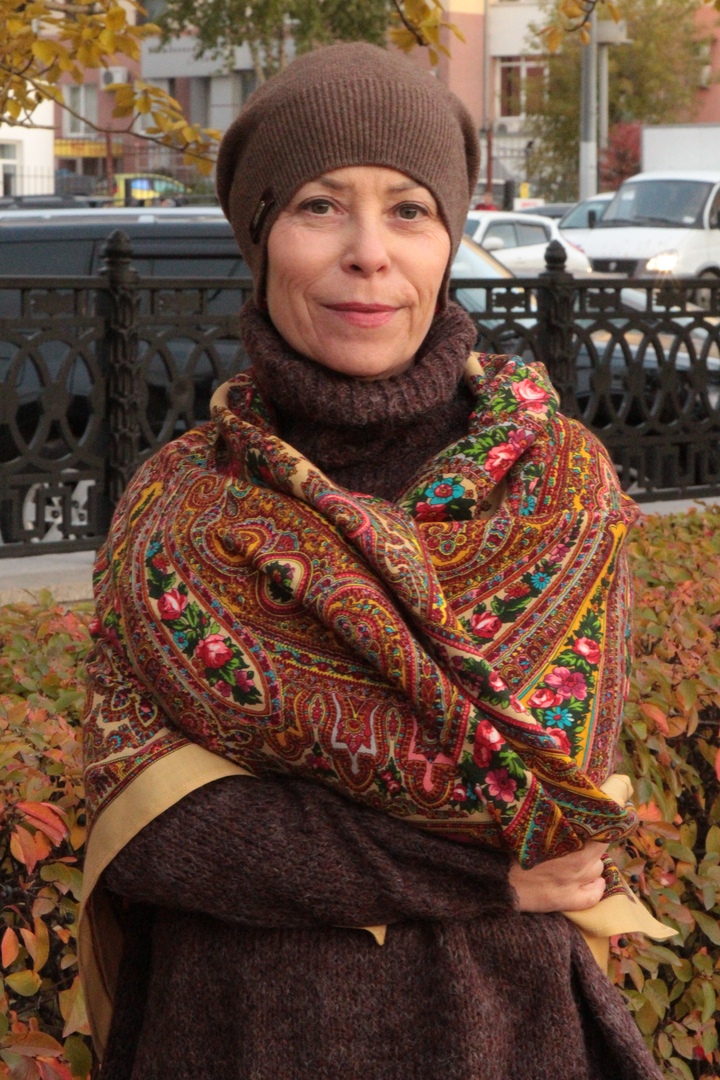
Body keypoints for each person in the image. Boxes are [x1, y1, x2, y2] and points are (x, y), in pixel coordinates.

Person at [79, 43, 672, 1080]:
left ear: (449, 237)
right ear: (260, 235)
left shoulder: (556, 487)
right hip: (229, 1036)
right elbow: (154, 834)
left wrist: (293, 833)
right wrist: (488, 879)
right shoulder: (177, 506)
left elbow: (551, 809)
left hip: (501, 1036)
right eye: (320, 205)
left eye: (409, 209)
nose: (368, 252)